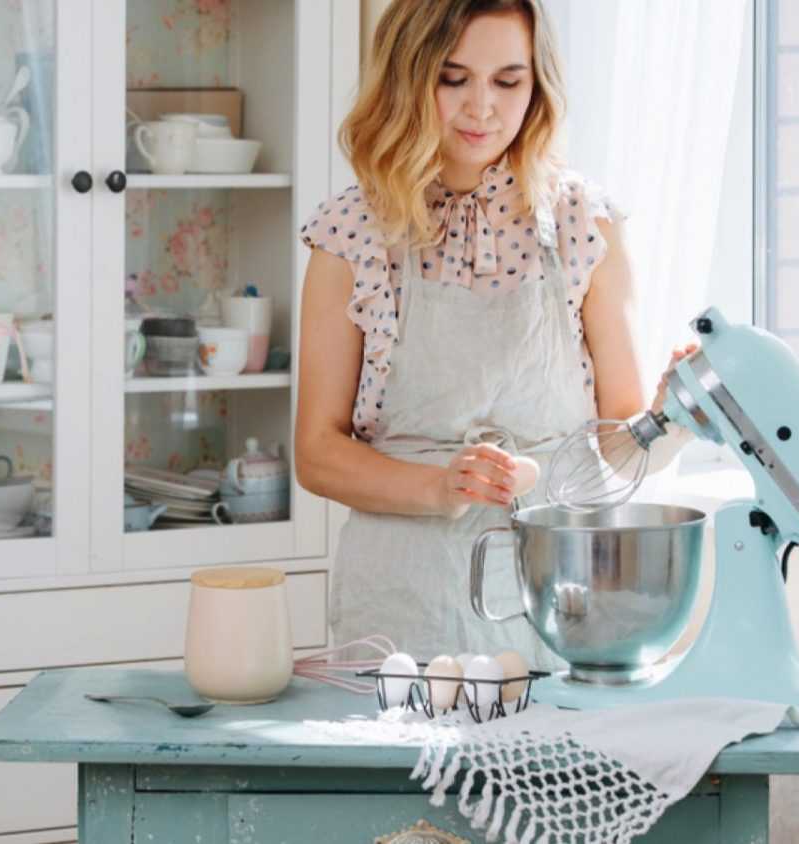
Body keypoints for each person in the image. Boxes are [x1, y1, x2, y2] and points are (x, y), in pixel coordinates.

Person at [295, 0, 693, 664]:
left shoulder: (582, 223)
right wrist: (437, 488)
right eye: (454, 78)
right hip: (400, 612)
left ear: (536, 87)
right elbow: (316, 453)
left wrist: (674, 416)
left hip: (556, 604)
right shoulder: (352, 231)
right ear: (407, 76)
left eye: (508, 81)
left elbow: (622, 445)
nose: (482, 107)